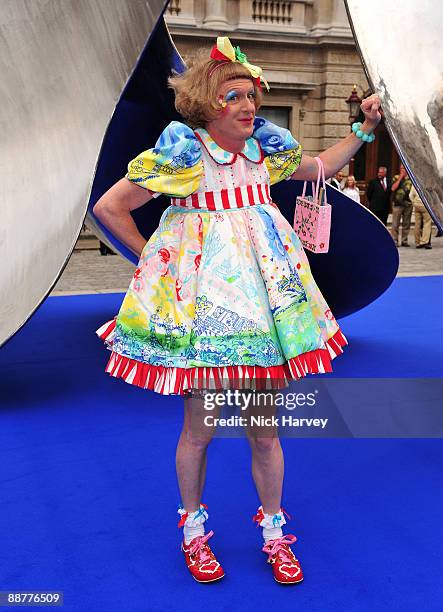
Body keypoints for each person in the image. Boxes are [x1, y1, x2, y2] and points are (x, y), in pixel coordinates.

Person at [93, 37, 381, 585]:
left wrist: (364, 128)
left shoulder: (264, 153)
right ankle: (194, 532)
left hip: (268, 320)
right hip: (210, 324)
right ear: (207, 103)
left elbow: (320, 166)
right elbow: (111, 206)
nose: (249, 105)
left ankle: (274, 533)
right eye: (233, 96)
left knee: (265, 433)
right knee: (199, 432)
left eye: (251, 95)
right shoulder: (185, 157)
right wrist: (153, 265)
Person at [390, 163, 413, 246]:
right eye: (401, 168)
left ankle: (404, 240)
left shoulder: (411, 178)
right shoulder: (396, 177)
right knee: (395, 223)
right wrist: (400, 178)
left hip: (408, 204)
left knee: (406, 223)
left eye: (404, 168)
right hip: (397, 204)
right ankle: (395, 240)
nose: (402, 170)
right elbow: (393, 188)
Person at [410, 185, 432, 249]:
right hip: (425, 205)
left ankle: (417, 242)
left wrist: (414, 202)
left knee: (417, 224)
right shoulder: (426, 184)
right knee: (427, 223)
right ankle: (424, 241)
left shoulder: (414, 183)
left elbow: (410, 195)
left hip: (417, 205)